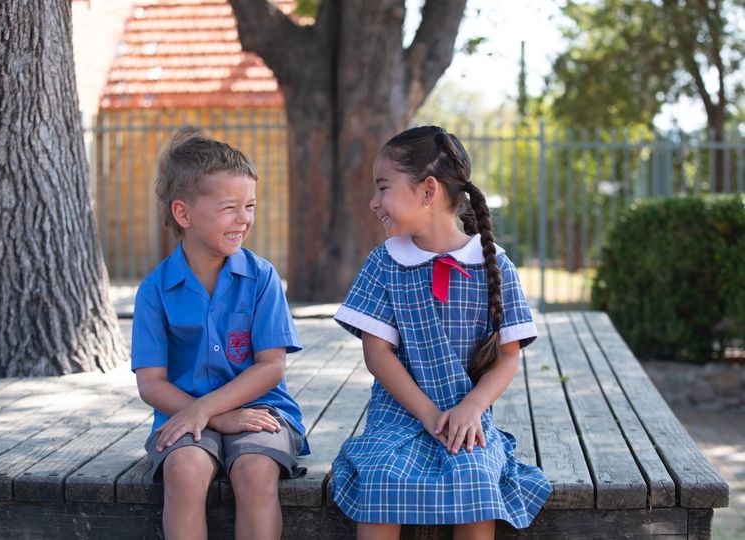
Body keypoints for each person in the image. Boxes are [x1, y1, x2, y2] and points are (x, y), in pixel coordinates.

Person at [331, 126, 551, 539]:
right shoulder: (384, 263)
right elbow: (377, 355)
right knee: (382, 476)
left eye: (383, 188)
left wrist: (471, 409)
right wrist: (429, 415)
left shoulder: (494, 265)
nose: (373, 202)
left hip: (467, 415)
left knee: (475, 476)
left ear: (428, 191)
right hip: (397, 414)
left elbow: (508, 357)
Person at [132, 132, 308, 540]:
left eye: (250, 206)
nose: (244, 218)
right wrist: (213, 415)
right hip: (184, 413)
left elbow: (271, 367)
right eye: (229, 208)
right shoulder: (154, 290)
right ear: (184, 213)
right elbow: (151, 382)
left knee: (254, 471)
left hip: (263, 412)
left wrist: (209, 411)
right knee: (185, 470)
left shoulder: (262, 278)